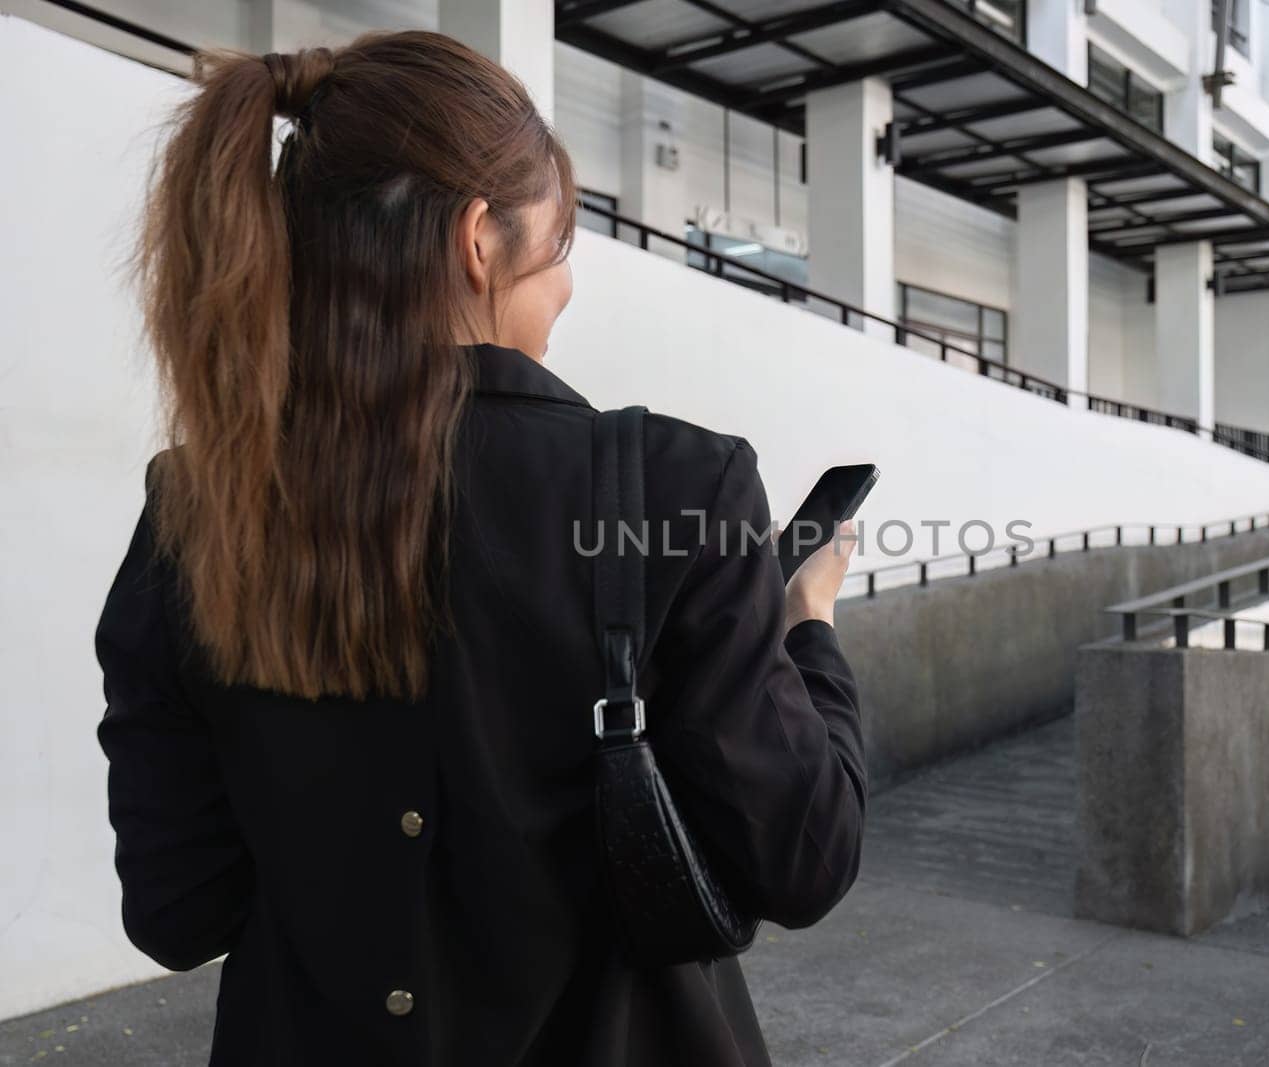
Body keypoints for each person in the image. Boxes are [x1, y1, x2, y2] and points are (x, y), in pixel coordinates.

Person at [94, 30, 867, 1066]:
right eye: (559, 250)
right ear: (476, 241)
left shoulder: (198, 502)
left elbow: (179, 907)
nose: (566, 288)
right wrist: (805, 627)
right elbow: (804, 856)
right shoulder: (685, 489)